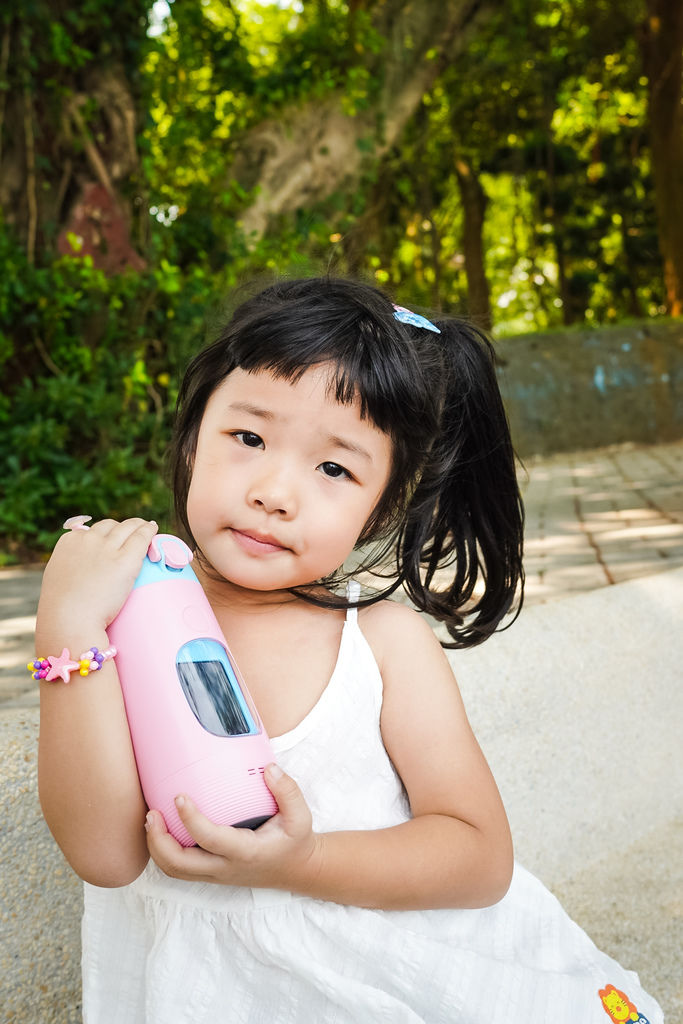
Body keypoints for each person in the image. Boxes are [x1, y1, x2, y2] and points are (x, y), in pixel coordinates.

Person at [35, 277, 663, 1023]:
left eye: (334, 468)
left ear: (383, 504)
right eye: (249, 437)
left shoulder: (381, 642)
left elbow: (477, 856)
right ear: (195, 428)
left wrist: (301, 863)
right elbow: (105, 856)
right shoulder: (123, 610)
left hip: (388, 981)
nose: (274, 491)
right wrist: (69, 630)